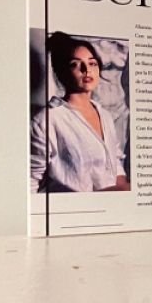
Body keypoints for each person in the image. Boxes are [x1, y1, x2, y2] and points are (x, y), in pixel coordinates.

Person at [31, 32, 130, 193]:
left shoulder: (105, 115)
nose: (87, 70)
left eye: (92, 63)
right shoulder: (48, 119)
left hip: (108, 205)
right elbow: (31, 180)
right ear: (62, 72)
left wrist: (122, 192)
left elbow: (116, 163)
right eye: (75, 64)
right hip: (72, 207)